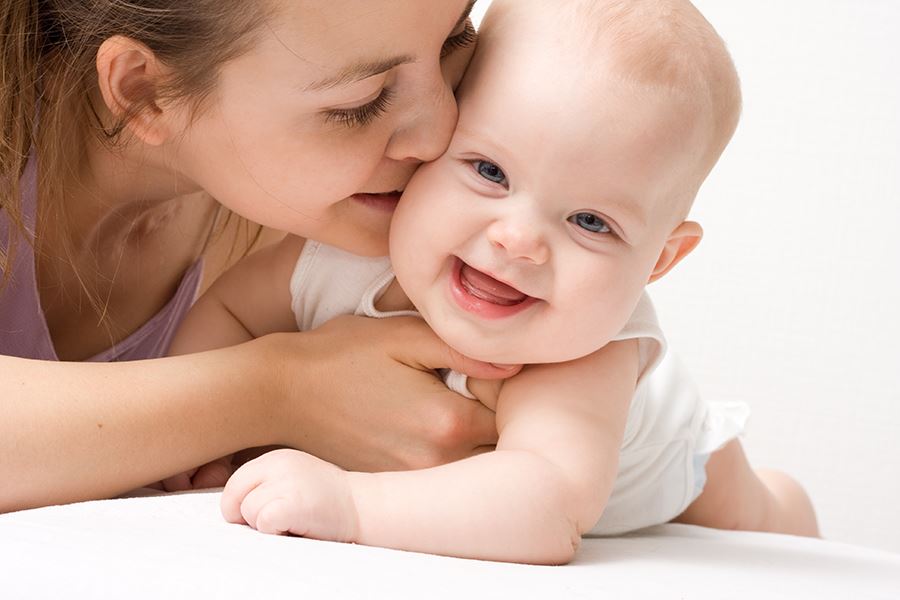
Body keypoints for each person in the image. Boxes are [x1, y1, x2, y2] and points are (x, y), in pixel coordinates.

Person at [171, 0, 819, 564]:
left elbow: (546, 507)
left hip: (666, 456)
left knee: (754, 511)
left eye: (591, 221)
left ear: (658, 262)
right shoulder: (338, 254)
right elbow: (229, 315)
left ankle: (785, 503)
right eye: (488, 170)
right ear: (435, 138)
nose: (518, 239)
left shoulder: (585, 350)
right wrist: (192, 449)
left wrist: (353, 505)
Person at [0, 0, 522, 513]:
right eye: (359, 103)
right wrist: (282, 391)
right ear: (143, 91)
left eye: (455, 38)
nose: (441, 132)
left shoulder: (317, 217)